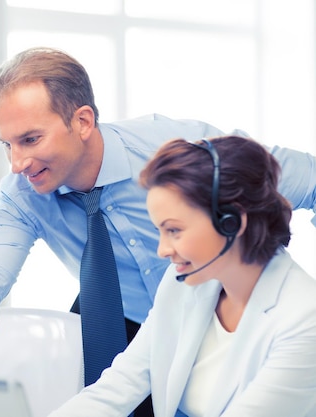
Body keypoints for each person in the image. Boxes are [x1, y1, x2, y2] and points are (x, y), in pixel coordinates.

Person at [0, 48, 316, 415]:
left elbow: (303, 179)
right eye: (7, 144)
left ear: (82, 121)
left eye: (30, 140)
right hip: (137, 319)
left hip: (226, 301)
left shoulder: (181, 155)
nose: (17, 162)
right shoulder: (23, 192)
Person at [48, 135, 316, 416]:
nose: (162, 250)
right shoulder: (183, 283)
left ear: (231, 221)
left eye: (174, 230)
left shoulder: (304, 319)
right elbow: (120, 384)